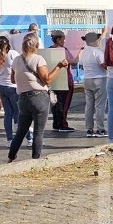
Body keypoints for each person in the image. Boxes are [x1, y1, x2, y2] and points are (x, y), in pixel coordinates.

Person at [7, 33, 68, 162]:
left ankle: (11, 157)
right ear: (37, 45)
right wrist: (59, 66)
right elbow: (47, 79)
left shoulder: (17, 60)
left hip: (23, 99)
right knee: (38, 131)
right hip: (39, 98)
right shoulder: (38, 59)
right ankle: (35, 160)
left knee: (21, 131)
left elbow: (13, 79)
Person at [0, 35, 22, 147]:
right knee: (18, 113)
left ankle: (9, 139)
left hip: (1, 85)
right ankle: (27, 137)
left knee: (8, 114)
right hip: (13, 86)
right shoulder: (13, 54)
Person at [79, 31, 108, 137]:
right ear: (94, 41)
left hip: (87, 79)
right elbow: (103, 65)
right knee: (100, 106)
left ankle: (89, 129)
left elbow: (82, 64)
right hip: (100, 78)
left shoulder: (83, 52)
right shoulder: (98, 52)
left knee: (89, 105)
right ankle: (100, 129)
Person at [48, 30, 76, 133]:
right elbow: (73, 62)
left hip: (54, 80)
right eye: (63, 38)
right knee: (64, 104)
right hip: (66, 81)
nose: (65, 40)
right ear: (59, 39)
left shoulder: (49, 50)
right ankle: (63, 124)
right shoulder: (63, 50)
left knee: (55, 103)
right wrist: (80, 53)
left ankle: (56, 123)